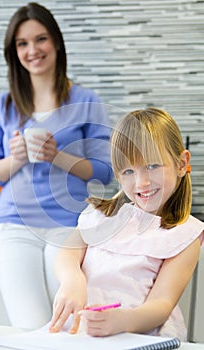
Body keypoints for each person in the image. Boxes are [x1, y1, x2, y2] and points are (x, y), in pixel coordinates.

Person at [0, 2, 113, 330]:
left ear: (57, 43)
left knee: (68, 326)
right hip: (14, 226)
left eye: (41, 39)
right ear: (14, 52)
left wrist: (57, 156)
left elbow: (106, 172)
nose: (32, 50)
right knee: (29, 326)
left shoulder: (86, 101)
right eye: (22, 43)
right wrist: (17, 158)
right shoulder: (2, 106)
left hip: (68, 227)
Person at [49, 107, 204, 341]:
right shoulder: (102, 215)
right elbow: (67, 253)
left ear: (181, 164)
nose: (141, 182)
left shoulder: (186, 234)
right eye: (129, 171)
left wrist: (122, 321)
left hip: (141, 337)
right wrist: (72, 280)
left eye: (152, 166)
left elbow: (162, 303)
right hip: (84, 333)